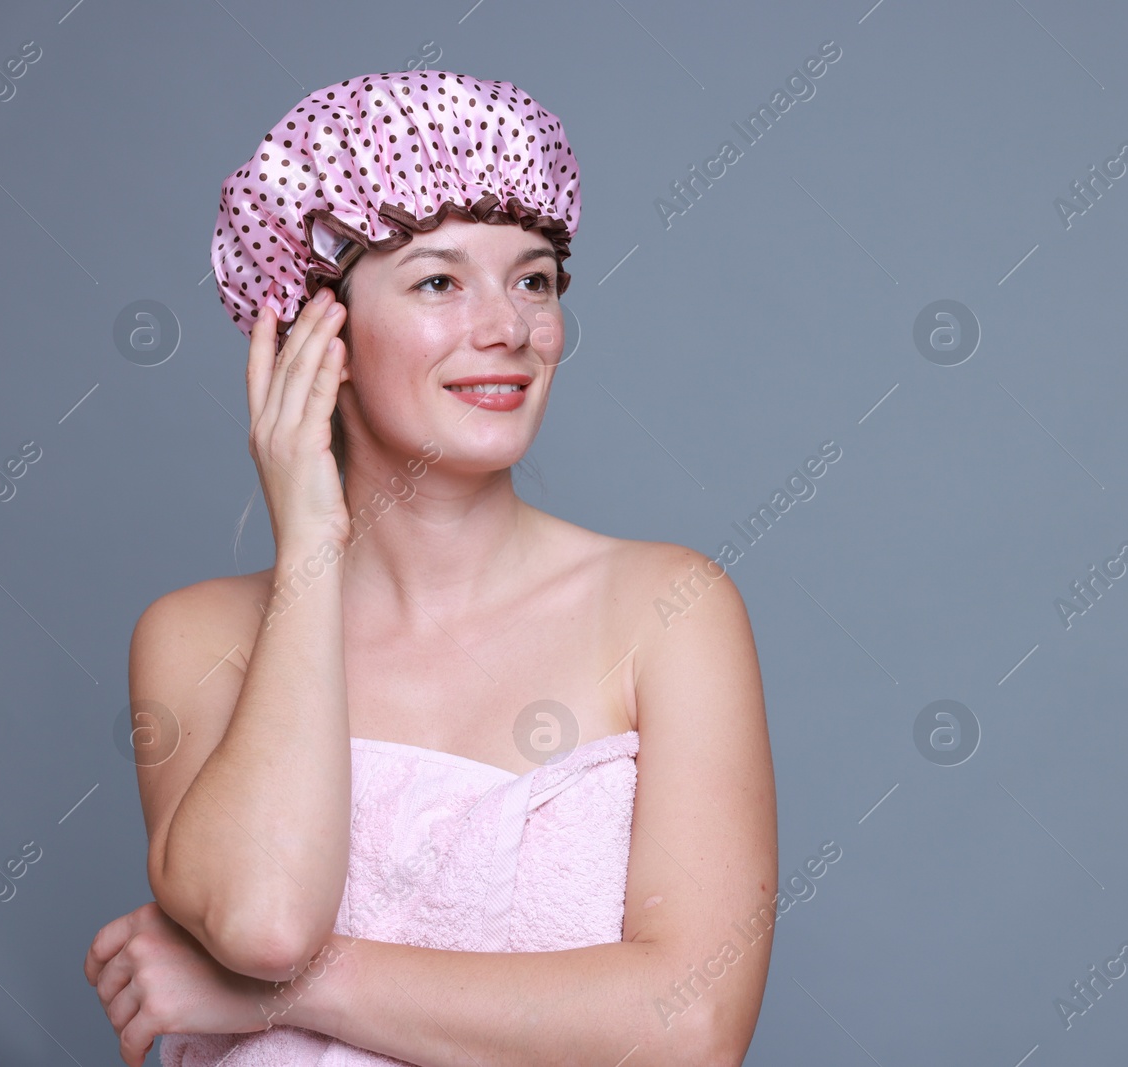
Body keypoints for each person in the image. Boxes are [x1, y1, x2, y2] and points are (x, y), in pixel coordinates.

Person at [81, 71, 777, 1067]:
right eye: (439, 281)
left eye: (532, 278)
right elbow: (264, 919)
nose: (509, 327)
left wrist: (290, 993)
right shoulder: (194, 635)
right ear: (322, 333)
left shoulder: (668, 610)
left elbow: (692, 1024)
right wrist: (311, 549)